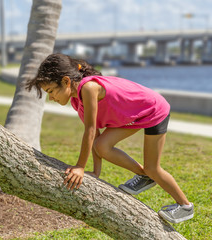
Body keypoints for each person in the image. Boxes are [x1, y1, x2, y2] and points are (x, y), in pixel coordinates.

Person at [25, 53, 194, 224]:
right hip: (134, 115)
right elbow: (95, 134)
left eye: (51, 91)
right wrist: (96, 172)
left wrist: (80, 167)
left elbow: (90, 130)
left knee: (152, 168)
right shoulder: (77, 99)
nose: (51, 98)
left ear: (66, 81)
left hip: (154, 110)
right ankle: (145, 177)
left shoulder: (89, 88)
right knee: (102, 145)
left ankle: (185, 206)